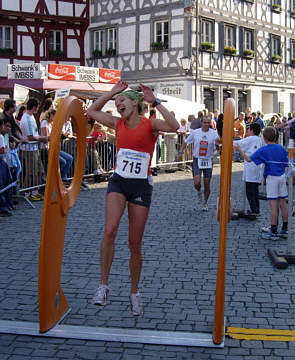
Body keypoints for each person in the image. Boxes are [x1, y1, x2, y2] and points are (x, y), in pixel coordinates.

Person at [86, 81, 179, 315]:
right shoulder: (117, 123)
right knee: (110, 229)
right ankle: (103, 285)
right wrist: (112, 92)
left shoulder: (151, 125)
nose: (118, 105)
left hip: (140, 185)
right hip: (119, 181)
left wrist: (155, 101)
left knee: (134, 243)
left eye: (122, 101)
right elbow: (90, 112)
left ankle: (134, 292)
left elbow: (175, 126)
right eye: (117, 103)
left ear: (136, 103)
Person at [235, 126, 289, 240]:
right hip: (282, 177)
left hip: (272, 178)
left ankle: (273, 231)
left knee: (273, 205)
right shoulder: (282, 149)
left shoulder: (264, 149)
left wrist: (240, 151)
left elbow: (249, 159)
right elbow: (285, 164)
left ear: (264, 138)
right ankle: (284, 229)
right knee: (283, 204)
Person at [176, 115, 221, 211]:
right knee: (197, 182)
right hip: (197, 159)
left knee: (207, 184)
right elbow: (185, 142)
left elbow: (218, 146)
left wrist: (217, 146)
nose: (206, 124)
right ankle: (199, 191)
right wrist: (180, 153)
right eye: (205, 123)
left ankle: (205, 203)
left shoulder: (214, 133)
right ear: (201, 123)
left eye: (208, 123)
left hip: (208, 160)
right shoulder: (196, 133)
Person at [19, 98, 48, 200]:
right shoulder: (26, 118)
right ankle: (29, 193)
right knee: (32, 172)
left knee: (38, 171)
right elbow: (31, 136)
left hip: (34, 147)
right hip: (29, 149)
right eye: (37, 107)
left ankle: (34, 191)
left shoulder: (30, 117)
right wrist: (43, 138)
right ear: (34, 107)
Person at [233, 123, 262, 215]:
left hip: (251, 166)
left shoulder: (251, 138)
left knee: (250, 190)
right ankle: (256, 208)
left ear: (252, 130)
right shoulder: (258, 139)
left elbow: (238, 144)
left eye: (249, 130)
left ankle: (254, 210)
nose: (248, 131)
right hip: (257, 167)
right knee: (255, 190)